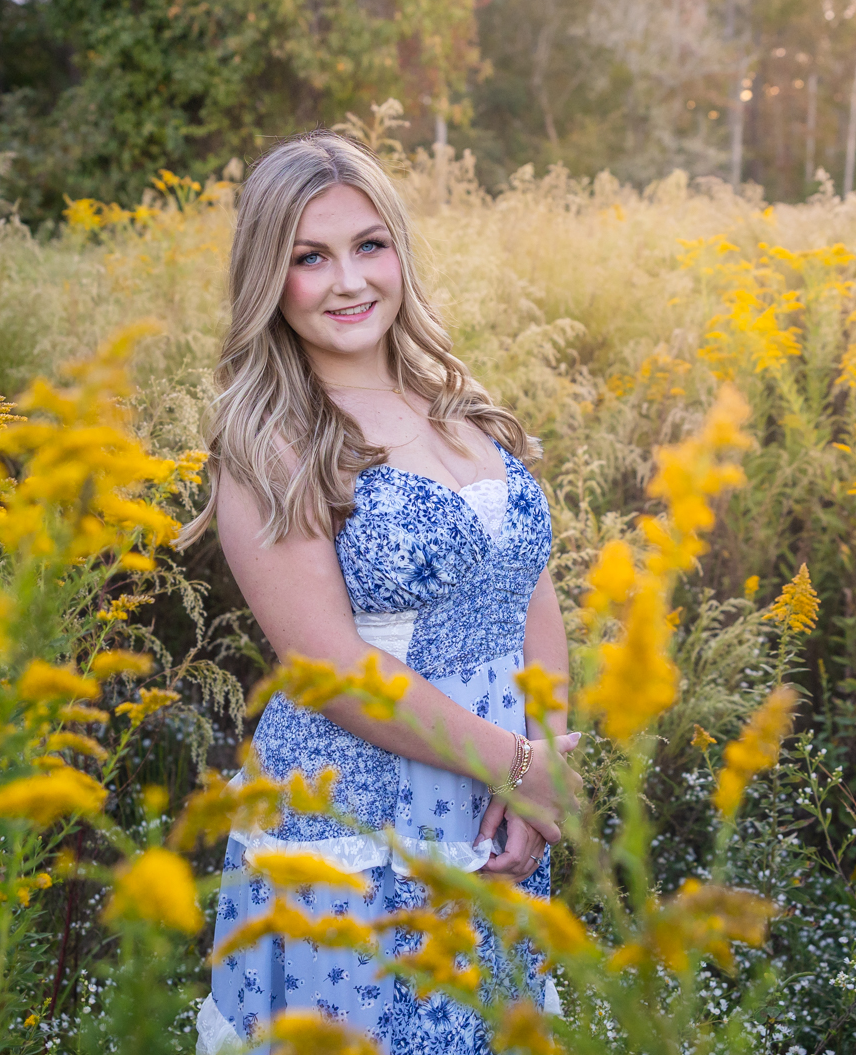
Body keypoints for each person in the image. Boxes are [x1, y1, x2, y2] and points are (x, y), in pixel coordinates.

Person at [179, 131, 583, 1054]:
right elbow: (332, 666)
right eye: (308, 258)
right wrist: (515, 767)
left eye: (369, 245)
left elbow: (530, 586)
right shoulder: (270, 442)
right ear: (267, 280)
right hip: (358, 830)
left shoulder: (458, 402)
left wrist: (543, 756)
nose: (349, 280)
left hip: (492, 807)